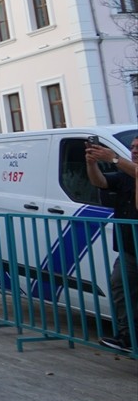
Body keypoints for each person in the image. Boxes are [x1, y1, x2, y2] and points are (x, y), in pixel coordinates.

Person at [86, 136, 138, 352]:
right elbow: (101, 182)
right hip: (129, 247)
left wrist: (114, 158)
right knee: (120, 286)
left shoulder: (129, 169)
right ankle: (127, 337)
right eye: (133, 147)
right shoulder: (127, 174)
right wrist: (92, 164)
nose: (134, 150)